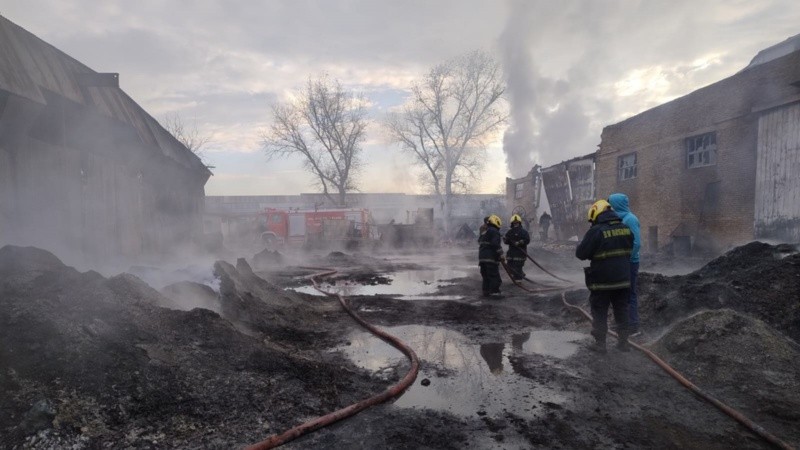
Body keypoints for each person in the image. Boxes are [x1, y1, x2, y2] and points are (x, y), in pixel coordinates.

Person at [575, 200, 634, 353]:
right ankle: (624, 343)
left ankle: (600, 344)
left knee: (599, 311)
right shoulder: (626, 228)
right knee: (622, 310)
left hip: (602, 282)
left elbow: (581, 254)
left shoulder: (596, 231)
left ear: (595, 214)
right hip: (623, 280)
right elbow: (630, 249)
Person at [608, 193, 641, 336]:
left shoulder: (630, 219)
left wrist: (626, 258)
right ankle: (623, 324)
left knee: (629, 294)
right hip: (620, 262)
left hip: (630, 262)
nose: (609, 207)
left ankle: (633, 326)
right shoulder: (617, 219)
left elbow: (637, 243)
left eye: (611, 204)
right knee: (620, 294)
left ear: (617, 204)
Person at [478, 214, 505, 297]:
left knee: (486, 276)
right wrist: (501, 254)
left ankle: (486, 292)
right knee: (494, 276)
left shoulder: (484, 231)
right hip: (490, 258)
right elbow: (495, 244)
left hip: (482, 259)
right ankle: (494, 292)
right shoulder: (494, 231)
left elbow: (480, 241)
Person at [503, 214, 531, 280]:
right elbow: (506, 241)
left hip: (520, 253)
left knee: (517, 267)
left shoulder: (523, 232)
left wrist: (520, 242)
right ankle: (520, 274)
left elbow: (527, 240)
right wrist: (505, 240)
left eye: (517, 222)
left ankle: (519, 280)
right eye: (514, 223)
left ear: (519, 223)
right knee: (509, 267)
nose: (515, 224)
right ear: (512, 223)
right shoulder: (510, 232)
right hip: (511, 253)